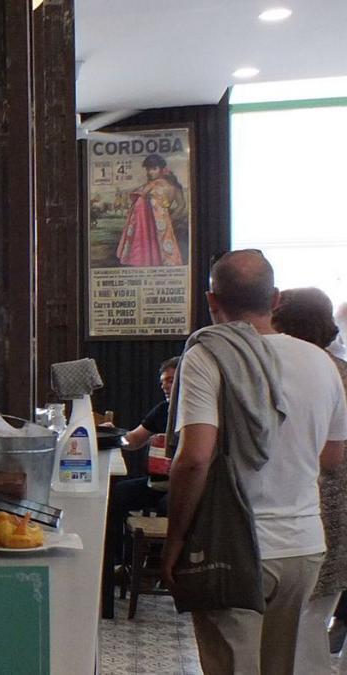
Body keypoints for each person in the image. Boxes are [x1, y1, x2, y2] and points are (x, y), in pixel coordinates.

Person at [162, 250, 347, 675]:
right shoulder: (322, 363)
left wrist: (174, 541)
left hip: (232, 546)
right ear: (276, 298)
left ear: (212, 301)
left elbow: (194, 458)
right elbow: (333, 456)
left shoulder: (208, 356)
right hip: (303, 547)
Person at [272, 287, 347, 671]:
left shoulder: (273, 370)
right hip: (331, 511)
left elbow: (332, 457)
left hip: (311, 509)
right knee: (311, 617)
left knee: (300, 622)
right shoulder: (339, 371)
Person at [100, 357, 178, 617]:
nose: (166, 386)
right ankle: (118, 562)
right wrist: (113, 433)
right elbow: (133, 440)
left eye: (171, 379)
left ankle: (154, 567)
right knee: (117, 494)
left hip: (184, 486)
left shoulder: (197, 410)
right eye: (163, 382)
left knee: (171, 506)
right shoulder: (162, 410)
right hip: (157, 482)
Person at [116, 154, 187, 267]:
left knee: (164, 253)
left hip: (160, 224)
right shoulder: (148, 186)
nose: (150, 172)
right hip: (146, 225)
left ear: (162, 169)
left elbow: (181, 205)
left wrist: (170, 220)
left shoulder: (173, 186)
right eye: (148, 169)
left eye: (154, 169)